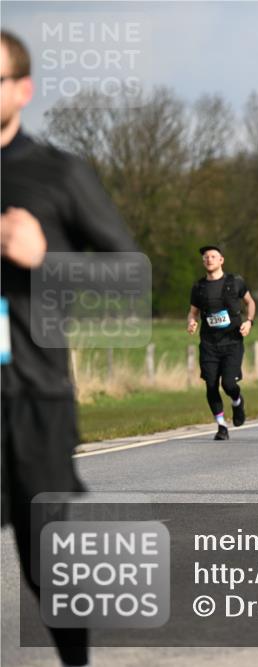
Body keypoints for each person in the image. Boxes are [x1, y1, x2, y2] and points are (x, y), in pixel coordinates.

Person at [2, 29, 139, 667]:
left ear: (22, 90)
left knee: (46, 563)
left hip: (34, 399)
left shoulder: (56, 173)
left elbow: (127, 274)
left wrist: (45, 260)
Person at [187, 245, 256, 440]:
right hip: (209, 344)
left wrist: (249, 322)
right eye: (206, 257)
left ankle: (237, 401)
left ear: (221, 260)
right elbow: (193, 312)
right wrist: (192, 322)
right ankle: (221, 426)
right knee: (210, 385)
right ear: (203, 262)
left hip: (232, 342)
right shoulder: (198, 287)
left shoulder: (235, 282)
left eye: (213, 256)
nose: (209, 259)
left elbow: (250, 302)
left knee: (228, 384)